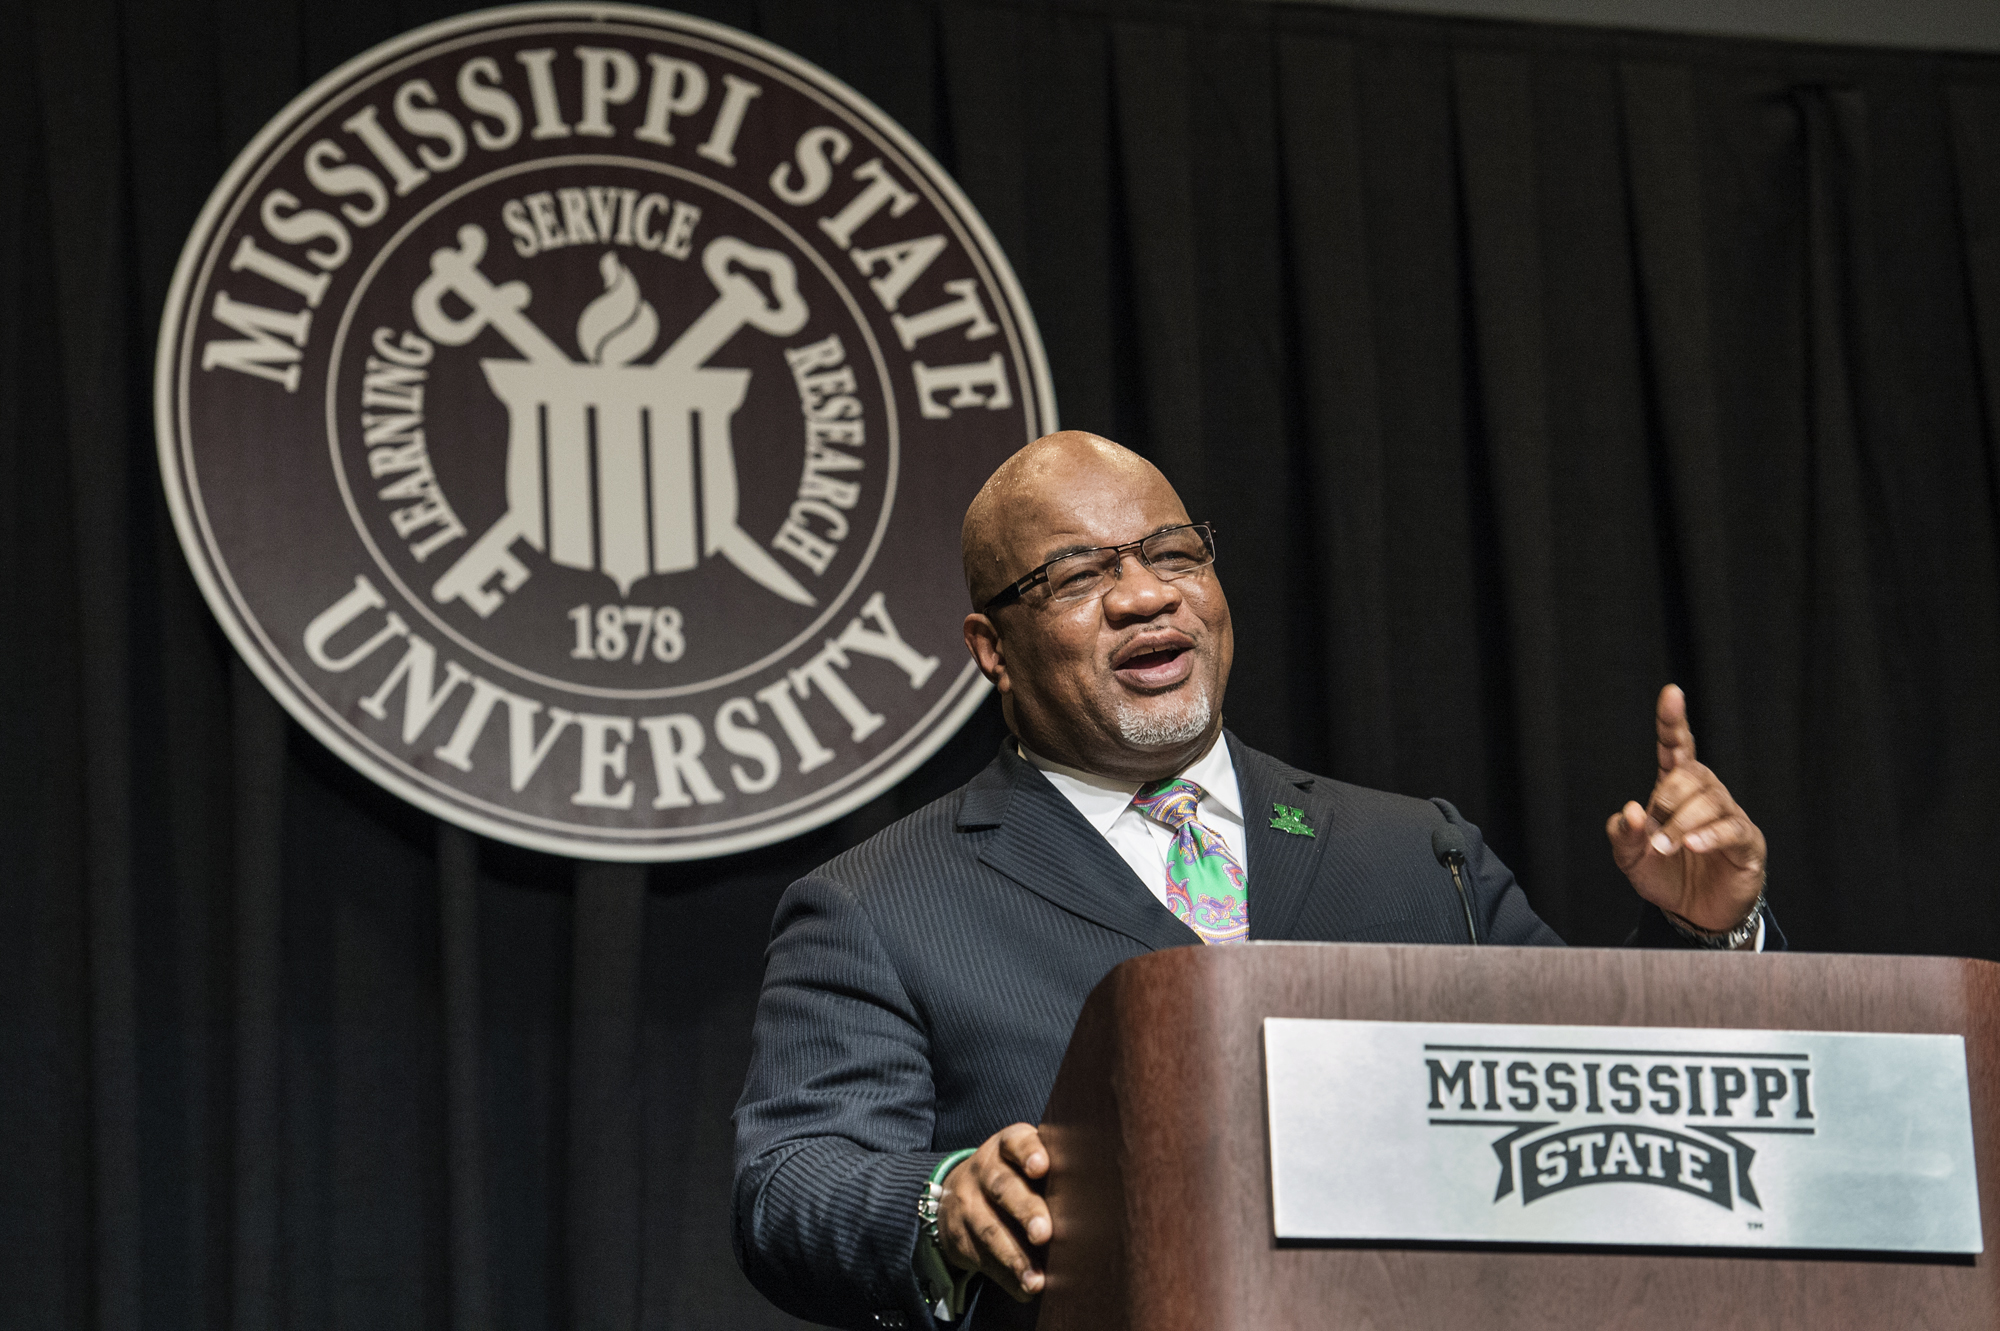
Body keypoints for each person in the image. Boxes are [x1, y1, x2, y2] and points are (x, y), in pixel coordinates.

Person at [732, 432, 1771, 1331]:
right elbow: (791, 1182)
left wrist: (1700, 939)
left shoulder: (1415, 851)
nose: (1143, 594)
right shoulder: (878, 902)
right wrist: (942, 1198)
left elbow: (1594, 1101)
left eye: (1172, 552)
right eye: (1076, 573)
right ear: (990, 648)